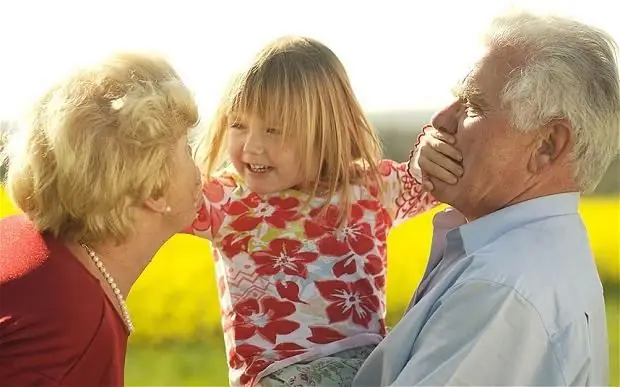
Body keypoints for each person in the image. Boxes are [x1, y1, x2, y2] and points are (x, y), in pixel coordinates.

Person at [353, 11, 619, 386]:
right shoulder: (535, 254)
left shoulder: (499, 288)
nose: (439, 122)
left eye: (472, 105)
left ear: (546, 145)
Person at [185, 36, 451, 387]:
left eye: (274, 130)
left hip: (366, 372)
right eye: (238, 125)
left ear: (326, 131)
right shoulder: (228, 200)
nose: (251, 146)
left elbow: (442, 174)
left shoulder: (370, 188)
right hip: (275, 377)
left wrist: (431, 145)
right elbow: (148, 197)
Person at [0, 52, 203, 386]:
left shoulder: (18, 238)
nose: (200, 172)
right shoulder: (74, 325)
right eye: (186, 150)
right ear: (153, 190)